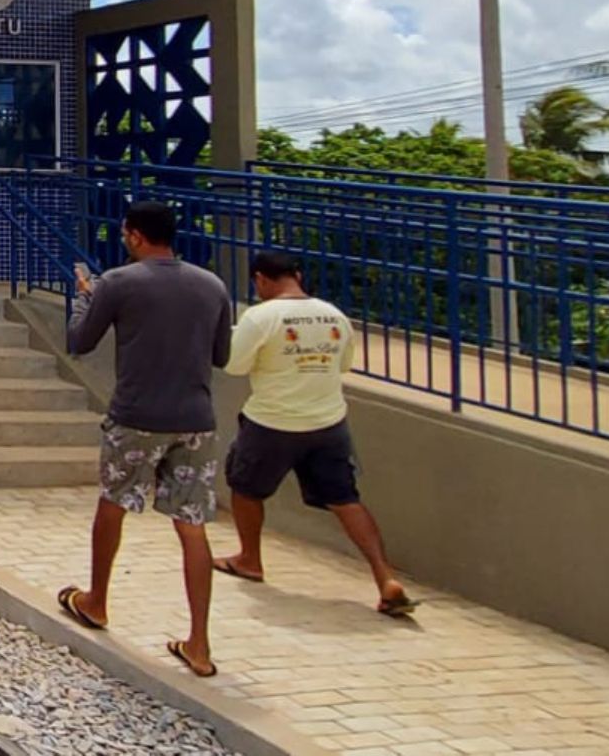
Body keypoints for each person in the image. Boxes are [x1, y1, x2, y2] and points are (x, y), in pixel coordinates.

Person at [57, 201, 232, 678]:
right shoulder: (212, 285)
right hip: (196, 419)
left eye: (125, 234)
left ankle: (96, 600)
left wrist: (84, 298)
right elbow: (221, 355)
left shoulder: (118, 282)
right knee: (192, 525)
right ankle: (199, 644)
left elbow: (79, 340)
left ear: (135, 235)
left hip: (136, 417)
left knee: (113, 503)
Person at [216, 251, 416, 617]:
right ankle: (385, 577)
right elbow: (343, 364)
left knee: (245, 488)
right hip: (328, 422)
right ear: (297, 275)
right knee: (345, 499)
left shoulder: (260, 317)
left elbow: (234, 365)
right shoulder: (334, 315)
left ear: (260, 279)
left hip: (272, 422)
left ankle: (249, 559)